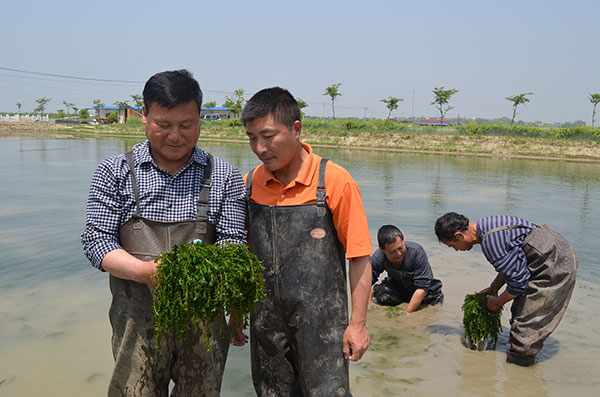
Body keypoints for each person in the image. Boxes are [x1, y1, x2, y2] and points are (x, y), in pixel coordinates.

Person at [81, 69, 247, 395]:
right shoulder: (114, 172)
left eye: (186, 125)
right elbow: (96, 240)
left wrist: (204, 267)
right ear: (144, 116)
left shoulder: (224, 175)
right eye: (164, 124)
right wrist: (146, 272)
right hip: (135, 326)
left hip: (203, 326)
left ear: (200, 119)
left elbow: (233, 241)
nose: (175, 136)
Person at [234, 87, 372, 396]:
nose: (259, 147)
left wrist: (358, 324)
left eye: (268, 136)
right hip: (266, 323)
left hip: (322, 325)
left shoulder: (334, 181)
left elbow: (360, 257)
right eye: (251, 138)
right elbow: (243, 258)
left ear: (296, 129)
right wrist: (236, 313)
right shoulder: (250, 184)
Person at [434, 212, 577, 366]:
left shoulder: (490, 243)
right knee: (520, 311)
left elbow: (519, 283)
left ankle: (520, 371)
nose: (456, 250)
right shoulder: (488, 225)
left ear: (460, 235)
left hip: (554, 264)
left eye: (452, 246)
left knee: (525, 326)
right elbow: (512, 263)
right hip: (556, 252)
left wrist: (497, 303)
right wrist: (493, 288)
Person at [371, 225, 443, 312]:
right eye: (393, 251)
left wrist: (406, 314)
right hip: (400, 290)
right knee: (381, 291)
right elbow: (367, 282)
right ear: (382, 249)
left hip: (426, 293)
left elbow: (422, 288)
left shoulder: (416, 252)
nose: (398, 254)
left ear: (403, 239)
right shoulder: (379, 256)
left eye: (400, 248)